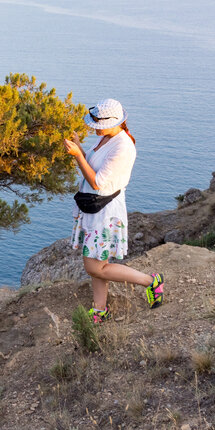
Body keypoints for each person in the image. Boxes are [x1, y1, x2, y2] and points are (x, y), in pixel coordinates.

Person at [62, 98, 164, 323]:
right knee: (99, 262)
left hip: (104, 211)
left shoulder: (122, 146)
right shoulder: (107, 138)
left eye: (98, 124)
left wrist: (77, 156)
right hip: (93, 207)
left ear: (114, 122)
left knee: (94, 267)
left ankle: (151, 281)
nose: (94, 127)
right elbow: (94, 164)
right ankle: (100, 309)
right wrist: (80, 147)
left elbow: (98, 181)